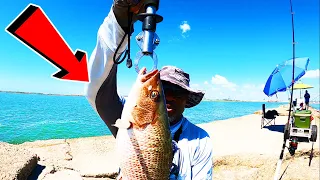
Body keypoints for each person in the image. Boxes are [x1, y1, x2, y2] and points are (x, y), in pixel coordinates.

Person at [84, 0, 213, 179]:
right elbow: (95, 89)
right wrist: (120, 22)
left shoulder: (200, 139)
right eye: (161, 91)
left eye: (178, 91)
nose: (169, 96)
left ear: (187, 99)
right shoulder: (126, 117)